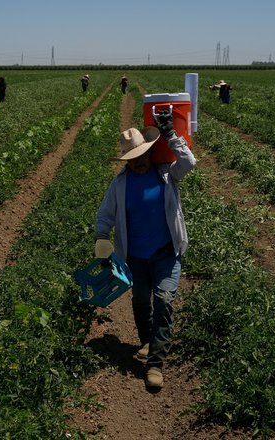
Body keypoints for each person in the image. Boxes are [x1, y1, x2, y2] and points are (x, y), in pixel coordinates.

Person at [94, 111, 197, 389]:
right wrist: (102, 238)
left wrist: (171, 134)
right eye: (133, 158)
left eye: (142, 155)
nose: (139, 161)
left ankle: (155, 364)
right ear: (127, 160)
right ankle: (147, 340)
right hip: (135, 258)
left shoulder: (166, 174)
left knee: (163, 300)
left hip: (165, 253)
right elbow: (105, 215)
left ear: (150, 153)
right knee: (141, 302)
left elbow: (189, 162)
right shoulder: (119, 184)